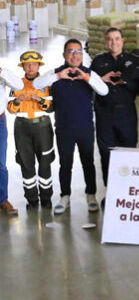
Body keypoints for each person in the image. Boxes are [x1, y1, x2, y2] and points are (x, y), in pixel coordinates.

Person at [34, 39, 108, 215]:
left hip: (85, 128)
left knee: (88, 162)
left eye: (78, 51)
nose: (74, 55)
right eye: (70, 51)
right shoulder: (56, 73)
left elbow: (104, 90)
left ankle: (91, 195)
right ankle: (65, 196)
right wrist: (58, 76)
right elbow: (37, 84)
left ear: (82, 54)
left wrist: (87, 78)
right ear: (64, 54)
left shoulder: (89, 74)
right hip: (64, 128)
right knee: (65, 164)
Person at [90, 28, 139, 207]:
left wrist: (125, 79)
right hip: (104, 113)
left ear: (122, 40)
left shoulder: (133, 61)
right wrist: (101, 79)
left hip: (126, 112)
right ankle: (111, 191)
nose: (114, 42)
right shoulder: (98, 61)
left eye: (117, 39)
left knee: (128, 151)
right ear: (106, 42)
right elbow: (90, 83)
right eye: (110, 39)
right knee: (106, 153)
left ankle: (128, 192)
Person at [7, 51, 54, 209]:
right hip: (22, 127)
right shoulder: (16, 85)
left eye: (34, 64)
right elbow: (10, 109)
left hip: (43, 127)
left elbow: (52, 107)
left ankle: (46, 198)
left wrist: (39, 99)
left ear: (39, 65)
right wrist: (17, 101)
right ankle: (32, 199)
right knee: (26, 163)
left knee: (45, 162)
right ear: (23, 67)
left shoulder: (46, 84)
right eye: (27, 64)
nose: (31, 67)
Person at [0, 65, 23, 216]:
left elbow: (19, 85)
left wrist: (2, 72)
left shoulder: (2, 74)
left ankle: (2, 200)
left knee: (0, 164)